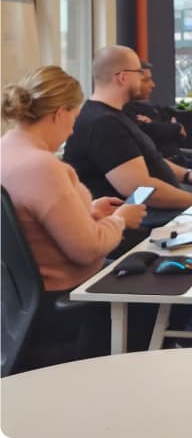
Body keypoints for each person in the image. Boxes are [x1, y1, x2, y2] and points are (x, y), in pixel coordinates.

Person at [1, 66, 146, 359]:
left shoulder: (6, 152)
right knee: (156, 289)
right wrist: (120, 220)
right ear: (59, 114)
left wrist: (88, 211)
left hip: (18, 303)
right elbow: (87, 248)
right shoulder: (43, 167)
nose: (71, 131)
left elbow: (30, 227)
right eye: (74, 119)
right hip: (65, 296)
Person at [63, 45, 192, 229]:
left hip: (156, 202)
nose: (142, 78)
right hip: (142, 213)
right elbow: (138, 188)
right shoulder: (103, 124)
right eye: (139, 73)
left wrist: (187, 174)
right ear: (123, 77)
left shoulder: (116, 114)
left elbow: (145, 161)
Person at [124, 62, 192, 186]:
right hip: (168, 168)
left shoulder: (152, 107)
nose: (153, 85)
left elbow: (178, 131)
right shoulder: (126, 112)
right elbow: (152, 132)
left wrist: (167, 127)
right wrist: (169, 128)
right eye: (146, 80)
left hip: (181, 159)